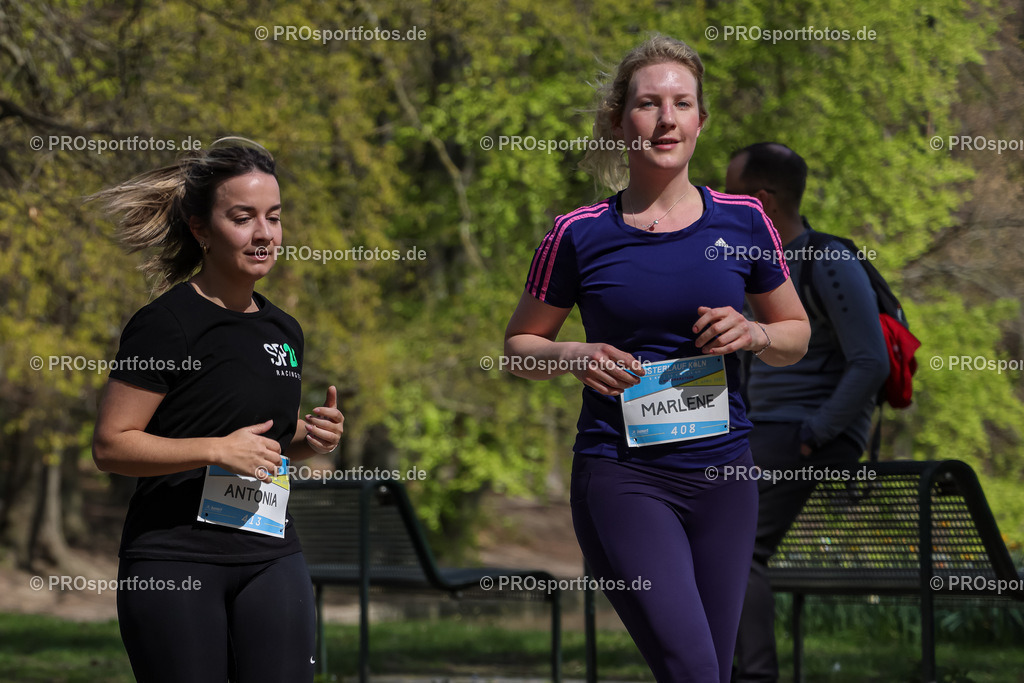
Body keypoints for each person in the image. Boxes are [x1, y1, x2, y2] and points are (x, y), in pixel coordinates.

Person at [503, 36, 810, 683]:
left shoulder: (744, 219)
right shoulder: (579, 232)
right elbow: (518, 347)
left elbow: (795, 333)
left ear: (701, 120)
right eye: (648, 103)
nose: (666, 119)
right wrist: (571, 352)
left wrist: (753, 334)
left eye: (682, 103)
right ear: (620, 120)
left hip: (725, 476)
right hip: (624, 476)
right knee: (695, 669)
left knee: (709, 673)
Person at [90, 139, 345, 683]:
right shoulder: (167, 323)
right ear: (200, 229)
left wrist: (309, 436)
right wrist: (216, 450)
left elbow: (263, 439)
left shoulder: (283, 329)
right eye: (243, 217)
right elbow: (112, 444)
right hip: (175, 561)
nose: (264, 234)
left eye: (274, 218)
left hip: (271, 554)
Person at [726, 143, 889, 683]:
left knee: (736, 542)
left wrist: (815, 432)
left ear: (762, 199)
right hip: (763, 430)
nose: (721, 198)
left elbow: (871, 362)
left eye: (732, 188)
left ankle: (752, 677)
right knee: (702, 525)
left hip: (808, 432)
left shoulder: (829, 261)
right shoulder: (754, 265)